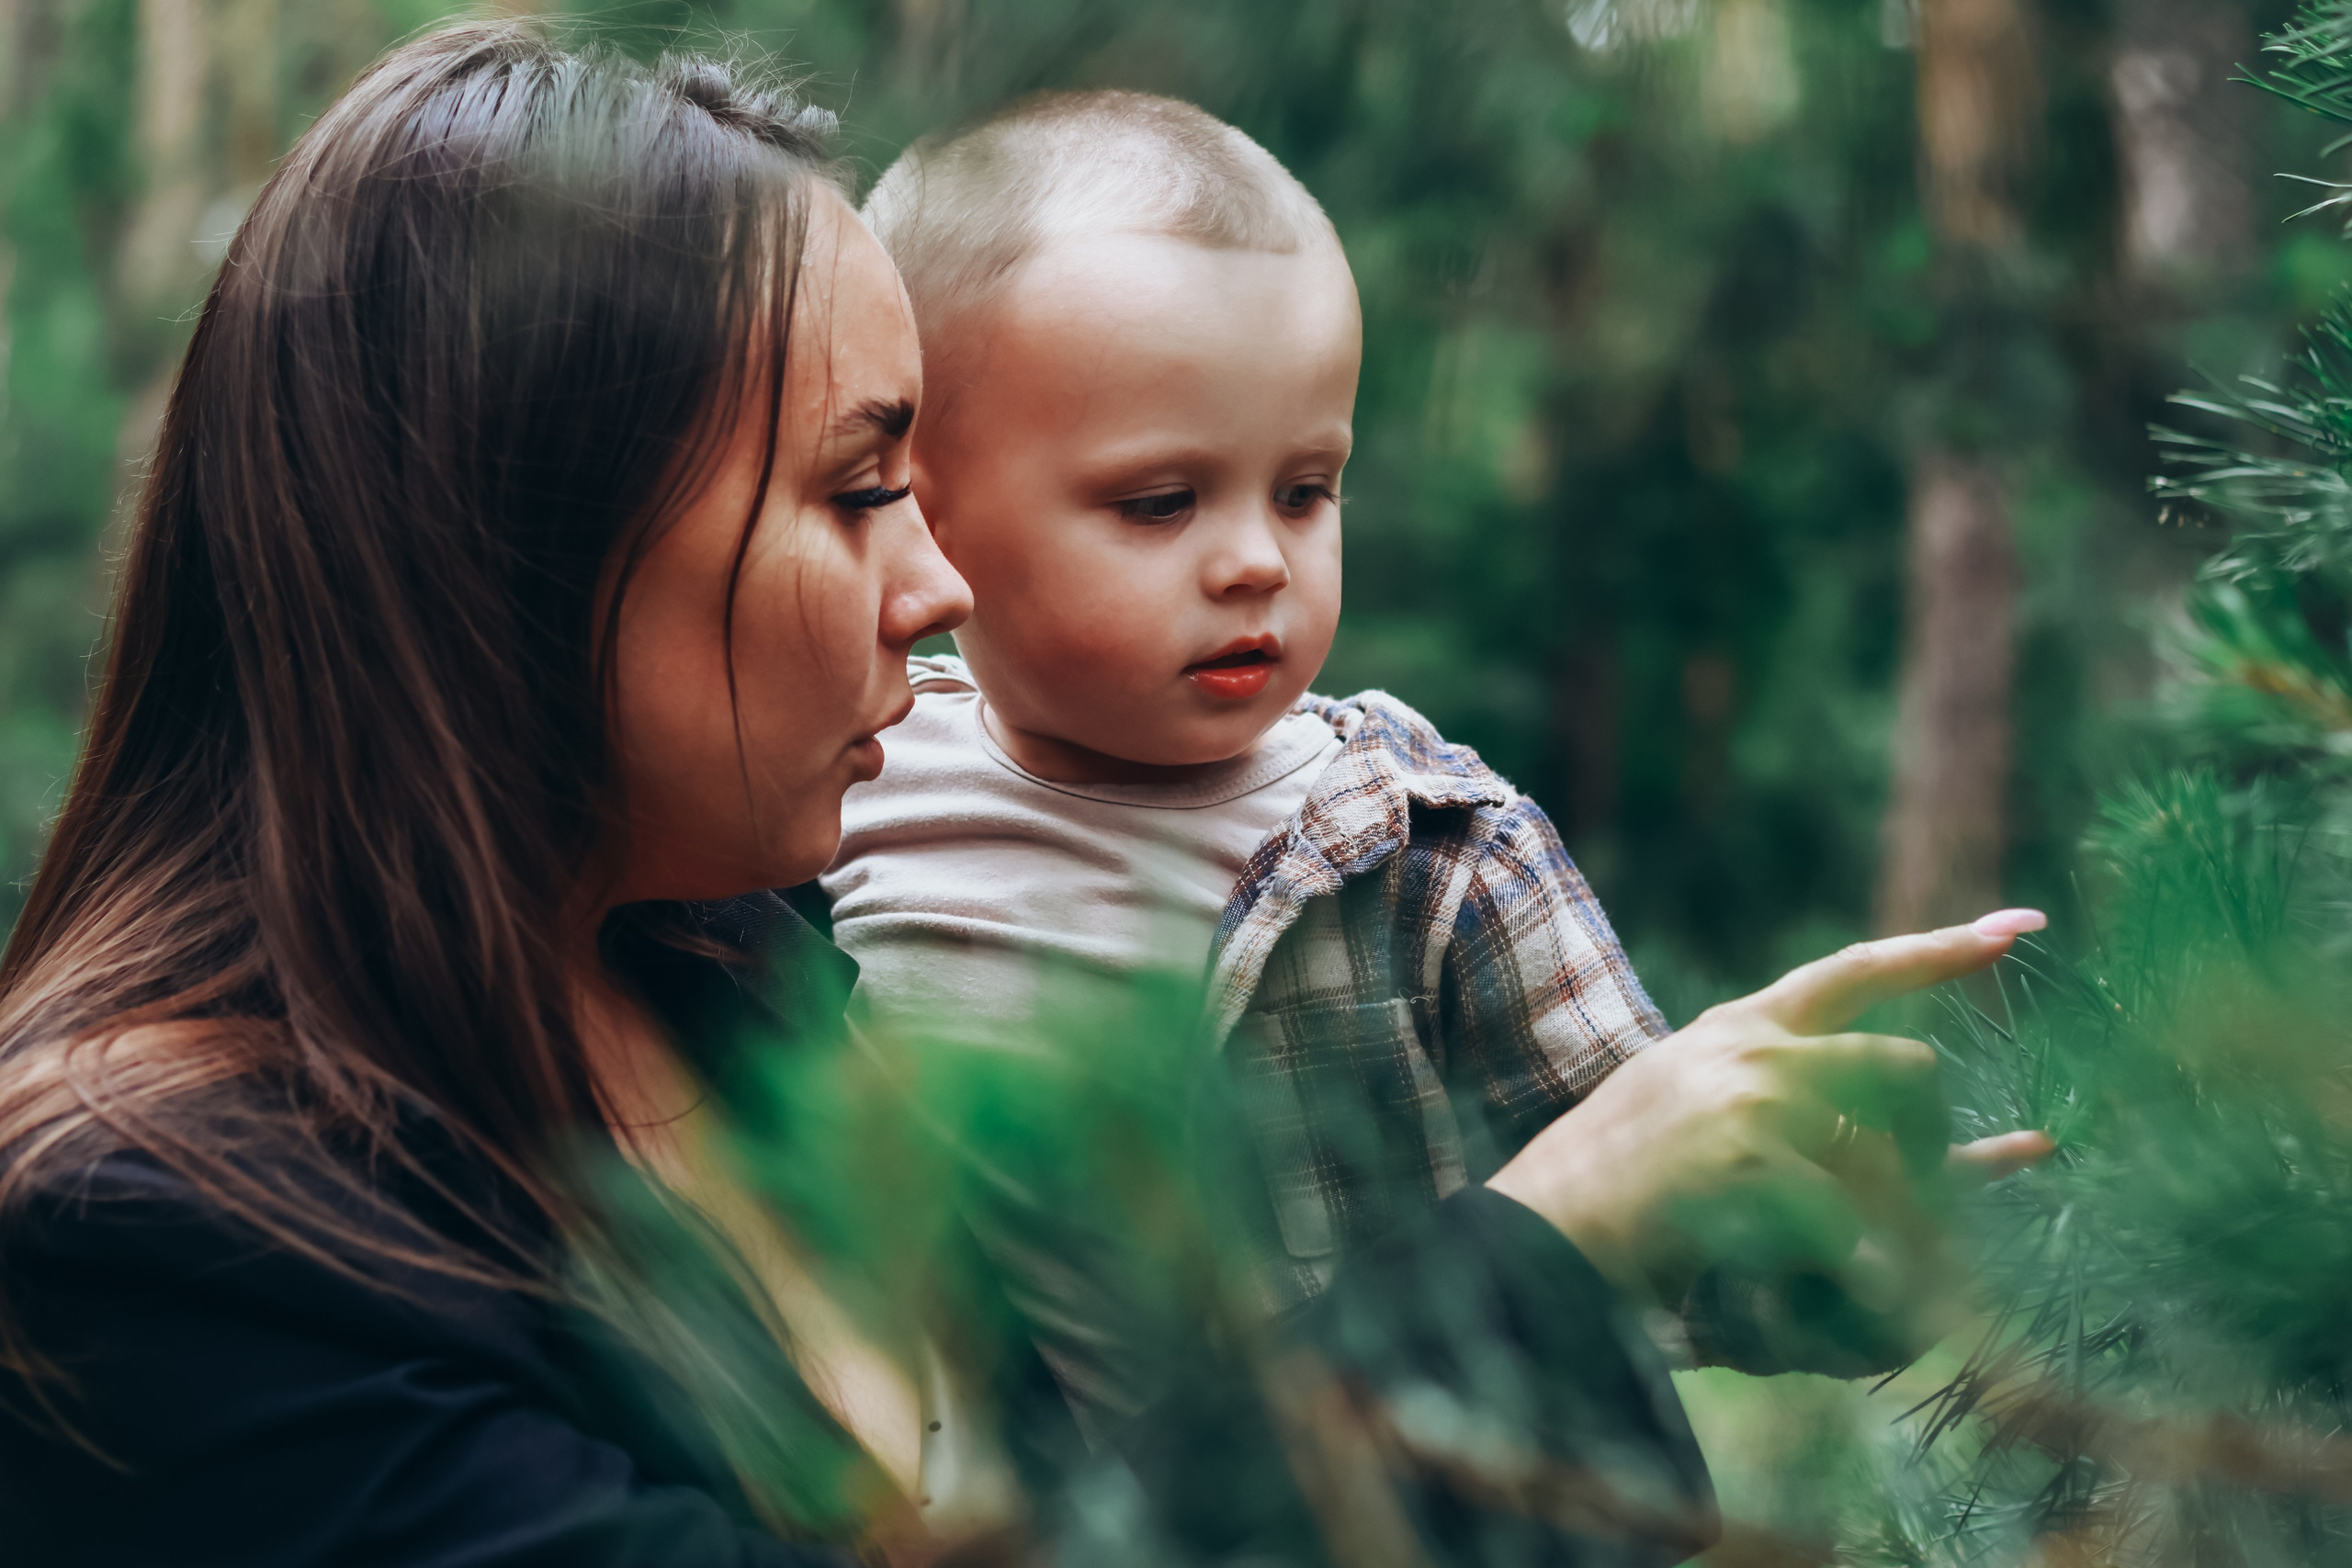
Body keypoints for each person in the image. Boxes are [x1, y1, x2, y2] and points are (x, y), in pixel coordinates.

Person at [0, 21, 2044, 1567]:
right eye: (857, 483)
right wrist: (1543, 1240)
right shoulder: (156, 1248)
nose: (943, 580)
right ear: (516, 541)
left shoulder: (741, 966)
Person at [820, 90, 2049, 1429]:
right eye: (1161, 502)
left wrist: (1869, 1257)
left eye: (1306, 488)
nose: (1256, 562)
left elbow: (1647, 1194)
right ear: (921, 511)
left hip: (1376, 1499)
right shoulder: (854, 786)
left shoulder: (1428, 846)